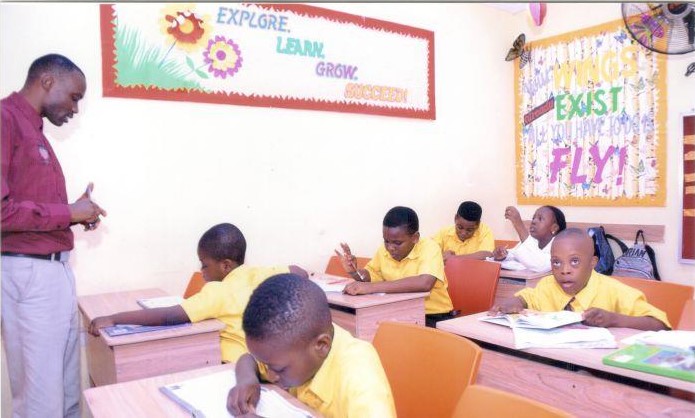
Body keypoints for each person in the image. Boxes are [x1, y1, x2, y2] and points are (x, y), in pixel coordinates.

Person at [1, 54, 107, 418]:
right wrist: (68, 213)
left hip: (52, 271)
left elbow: (26, 210)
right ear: (47, 81)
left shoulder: (33, 131)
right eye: (74, 97)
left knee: (66, 392)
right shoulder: (5, 119)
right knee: (41, 401)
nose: (75, 109)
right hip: (29, 274)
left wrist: (74, 215)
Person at [89, 223, 308, 363]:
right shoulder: (262, 273)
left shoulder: (218, 292)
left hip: (232, 368)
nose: (201, 271)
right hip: (270, 363)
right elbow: (300, 272)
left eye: (204, 264)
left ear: (225, 265)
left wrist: (114, 318)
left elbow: (169, 316)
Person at [227, 273, 396, 418]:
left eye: (279, 369)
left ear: (321, 346)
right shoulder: (297, 345)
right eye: (268, 366)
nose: (271, 376)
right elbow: (248, 359)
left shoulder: (360, 377)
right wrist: (247, 380)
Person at [489, 228, 670, 330]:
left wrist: (614, 319)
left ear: (593, 263)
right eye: (556, 263)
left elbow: (660, 325)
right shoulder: (548, 285)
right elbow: (526, 297)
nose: (564, 270)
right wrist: (513, 302)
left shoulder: (614, 291)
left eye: (574, 261)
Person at [335, 206, 455, 328]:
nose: (390, 247)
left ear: (415, 238)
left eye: (397, 243)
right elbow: (369, 276)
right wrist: (354, 271)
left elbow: (424, 283)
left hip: (433, 316)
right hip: (398, 313)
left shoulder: (430, 248)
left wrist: (370, 287)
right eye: (386, 241)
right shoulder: (384, 250)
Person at [492, 205, 566, 272]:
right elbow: (515, 255)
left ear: (554, 228)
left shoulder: (560, 247)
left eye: (540, 219)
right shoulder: (532, 240)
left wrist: (518, 224)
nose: (534, 221)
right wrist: (503, 255)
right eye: (533, 218)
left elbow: (540, 265)